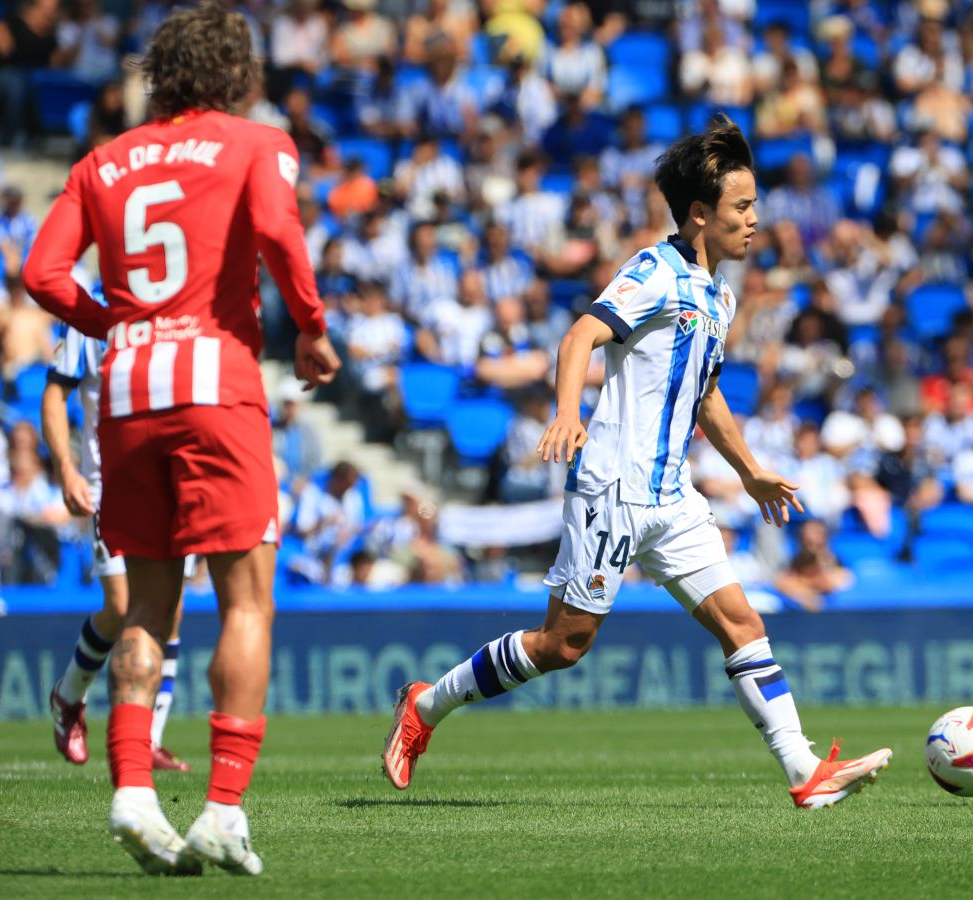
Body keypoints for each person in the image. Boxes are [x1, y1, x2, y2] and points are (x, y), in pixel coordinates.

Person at [381, 116, 892, 810]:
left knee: (743, 623)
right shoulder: (655, 271)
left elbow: (703, 392)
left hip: (673, 496)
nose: (754, 220)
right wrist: (567, 412)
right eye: (743, 207)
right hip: (613, 487)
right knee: (562, 646)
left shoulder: (721, 295)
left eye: (755, 206)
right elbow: (580, 336)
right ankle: (425, 706)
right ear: (699, 214)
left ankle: (803, 769)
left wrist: (748, 470)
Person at [22, 3, 340, 877]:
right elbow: (277, 230)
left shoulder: (101, 161)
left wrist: (115, 324)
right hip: (214, 381)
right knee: (246, 601)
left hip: (127, 389)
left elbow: (41, 273)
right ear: (238, 73)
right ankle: (223, 810)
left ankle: (131, 792)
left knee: (146, 610)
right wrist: (312, 328)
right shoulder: (257, 142)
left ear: (159, 74)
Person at [43, 323, 190, 772]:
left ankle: (150, 738)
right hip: (108, 484)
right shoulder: (89, 314)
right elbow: (55, 394)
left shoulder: (173, 309)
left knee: (171, 609)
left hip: (169, 481)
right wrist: (65, 466)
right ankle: (68, 695)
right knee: (123, 605)